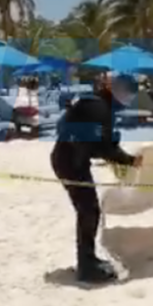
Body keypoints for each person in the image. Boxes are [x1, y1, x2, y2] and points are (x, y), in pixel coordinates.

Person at [51, 73, 143, 283]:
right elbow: (103, 146)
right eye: (129, 96)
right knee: (88, 211)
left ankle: (88, 260)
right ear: (118, 91)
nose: (129, 101)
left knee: (89, 210)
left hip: (71, 159)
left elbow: (95, 141)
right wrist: (129, 160)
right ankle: (86, 267)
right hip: (70, 162)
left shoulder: (97, 104)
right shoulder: (99, 108)